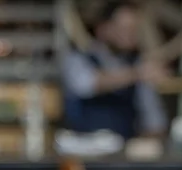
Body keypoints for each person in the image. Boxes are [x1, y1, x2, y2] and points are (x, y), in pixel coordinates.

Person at [60, 1, 168, 140]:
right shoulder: (78, 58)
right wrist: (136, 74)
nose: (130, 36)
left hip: (124, 152)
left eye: (134, 30)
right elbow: (87, 83)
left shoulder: (137, 64)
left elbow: (153, 117)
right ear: (102, 29)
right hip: (84, 150)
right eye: (124, 29)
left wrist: (153, 141)